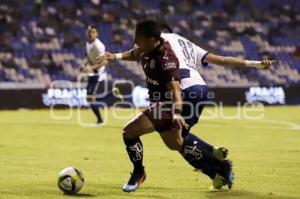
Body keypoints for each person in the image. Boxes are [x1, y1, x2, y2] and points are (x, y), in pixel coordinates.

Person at [97, 20, 276, 192]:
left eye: (139, 37)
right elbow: (222, 60)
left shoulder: (163, 47)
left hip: (179, 92)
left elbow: (172, 83)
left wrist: (176, 112)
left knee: (175, 140)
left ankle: (214, 164)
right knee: (176, 139)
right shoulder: (186, 43)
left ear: (158, 34)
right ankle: (214, 163)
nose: (136, 41)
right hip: (200, 90)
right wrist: (256, 65)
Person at [80, 25, 107, 124]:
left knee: (90, 97)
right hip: (92, 74)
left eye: (93, 32)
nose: (91, 34)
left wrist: (90, 68)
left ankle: (100, 120)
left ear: (97, 33)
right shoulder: (87, 43)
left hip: (98, 74)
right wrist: (83, 65)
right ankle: (99, 119)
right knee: (89, 98)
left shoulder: (99, 46)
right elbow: (87, 57)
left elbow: (104, 62)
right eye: (89, 32)